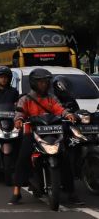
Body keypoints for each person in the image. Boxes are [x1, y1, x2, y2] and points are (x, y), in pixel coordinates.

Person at [9, 68, 79, 205]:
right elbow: (19, 113)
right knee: (22, 158)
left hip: (53, 132)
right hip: (32, 133)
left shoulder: (51, 98)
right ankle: (16, 192)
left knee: (64, 158)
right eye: (41, 82)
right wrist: (18, 120)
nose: (44, 84)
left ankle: (71, 192)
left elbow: (60, 108)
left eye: (46, 82)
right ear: (34, 83)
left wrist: (67, 114)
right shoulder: (25, 99)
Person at [52, 75, 83, 205]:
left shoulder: (71, 100)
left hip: (69, 133)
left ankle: (72, 184)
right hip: (53, 134)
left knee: (75, 150)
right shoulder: (51, 99)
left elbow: (77, 113)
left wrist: (78, 116)